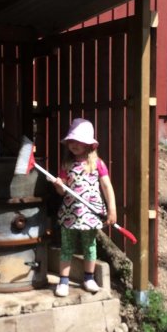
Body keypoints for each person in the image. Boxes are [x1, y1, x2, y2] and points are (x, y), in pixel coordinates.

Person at [52, 118, 116, 297]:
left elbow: (107, 186)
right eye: (71, 141)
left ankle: (89, 278)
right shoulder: (66, 165)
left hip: (90, 214)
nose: (74, 144)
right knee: (67, 247)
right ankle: (63, 281)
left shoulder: (97, 164)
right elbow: (61, 192)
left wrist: (112, 209)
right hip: (70, 213)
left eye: (78, 141)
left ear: (89, 144)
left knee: (90, 246)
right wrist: (58, 184)